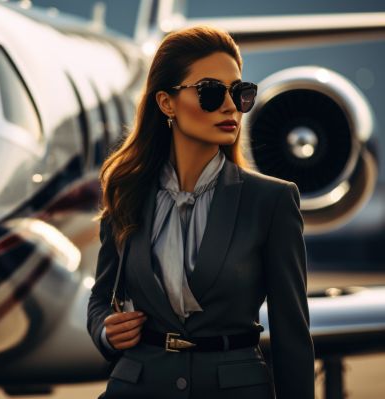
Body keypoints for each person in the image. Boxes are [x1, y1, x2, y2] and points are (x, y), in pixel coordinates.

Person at [87, 25, 315, 399]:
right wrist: (104, 329)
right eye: (210, 92)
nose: (229, 106)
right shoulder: (127, 191)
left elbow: (292, 334)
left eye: (240, 93)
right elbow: (101, 297)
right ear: (166, 103)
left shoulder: (272, 201)